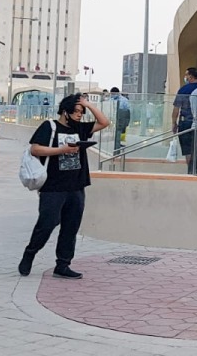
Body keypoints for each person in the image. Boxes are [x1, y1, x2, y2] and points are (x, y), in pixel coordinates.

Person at [19, 94, 110, 279]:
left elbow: (104, 122)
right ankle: (30, 253)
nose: (79, 115)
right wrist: (62, 150)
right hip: (53, 186)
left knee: (71, 227)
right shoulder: (49, 126)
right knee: (47, 223)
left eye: (81, 112)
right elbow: (35, 149)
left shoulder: (81, 129)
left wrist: (87, 104)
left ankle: (63, 264)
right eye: (76, 111)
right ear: (65, 111)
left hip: (76, 185)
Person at [171, 68, 197, 171]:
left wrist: (174, 123)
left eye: (186, 75)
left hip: (185, 123)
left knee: (187, 150)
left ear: (191, 77)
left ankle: (191, 170)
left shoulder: (183, 90)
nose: (185, 77)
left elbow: (176, 109)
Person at [110, 87, 131, 153]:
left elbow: (127, 111)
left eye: (113, 94)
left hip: (120, 120)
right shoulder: (110, 99)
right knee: (114, 135)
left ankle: (117, 150)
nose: (112, 95)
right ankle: (115, 147)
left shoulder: (124, 100)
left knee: (118, 134)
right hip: (112, 119)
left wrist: (126, 122)